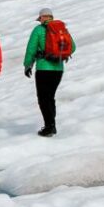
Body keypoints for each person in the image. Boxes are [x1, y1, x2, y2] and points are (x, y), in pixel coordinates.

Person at [23, 8, 76, 136]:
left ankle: (49, 126)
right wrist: (59, 56)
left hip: (43, 69)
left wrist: (27, 65)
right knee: (50, 97)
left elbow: (31, 48)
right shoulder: (62, 30)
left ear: (42, 18)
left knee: (43, 98)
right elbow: (73, 47)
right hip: (58, 69)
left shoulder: (39, 30)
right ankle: (51, 124)